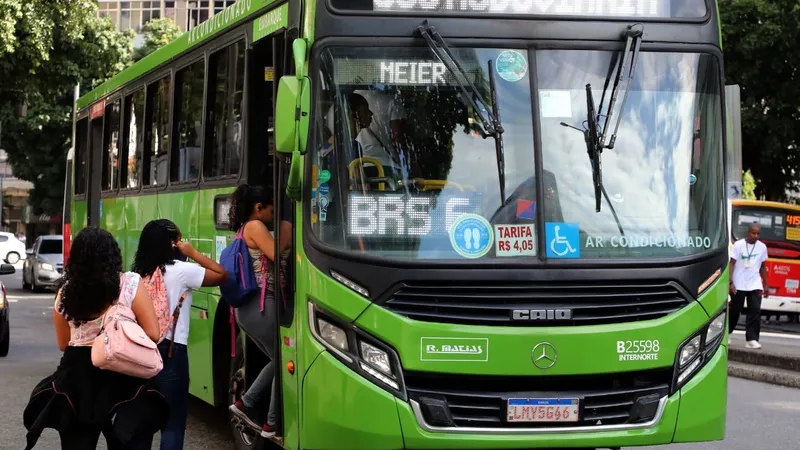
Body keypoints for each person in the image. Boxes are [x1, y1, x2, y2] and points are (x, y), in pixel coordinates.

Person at [22, 226, 168, 450]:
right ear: (114, 255)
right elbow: (153, 334)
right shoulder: (129, 285)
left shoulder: (65, 292)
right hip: (124, 369)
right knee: (129, 437)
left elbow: (63, 344)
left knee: (77, 441)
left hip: (78, 376)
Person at [132, 219, 229, 450]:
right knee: (173, 422)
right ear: (173, 244)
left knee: (143, 421)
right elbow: (221, 275)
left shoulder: (137, 274)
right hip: (171, 353)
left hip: (140, 352)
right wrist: (193, 252)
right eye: (179, 240)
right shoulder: (182, 271)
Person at [228, 184, 292, 439]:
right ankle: (268, 421)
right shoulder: (255, 226)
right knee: (283, 357)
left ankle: (249, 407)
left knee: (277, 359)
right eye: (271, 209)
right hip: (261, 305)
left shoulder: (249, 228)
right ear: (258, 208)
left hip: (254, 308)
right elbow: (276, 253)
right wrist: (288, 229)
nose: (274, 214)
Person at [729, 222, 769, 349]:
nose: (756, 236)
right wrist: (730, 282)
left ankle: (752, 339)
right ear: (748, 232)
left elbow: (763, 266)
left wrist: (766, 285)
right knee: (735, 311)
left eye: (758, 233)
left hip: (755, 284)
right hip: (738, 284)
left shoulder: (762, 247)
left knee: (755, 311)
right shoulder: (739, 245)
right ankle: (727, 333)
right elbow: (732, 264)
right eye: (753, 233)